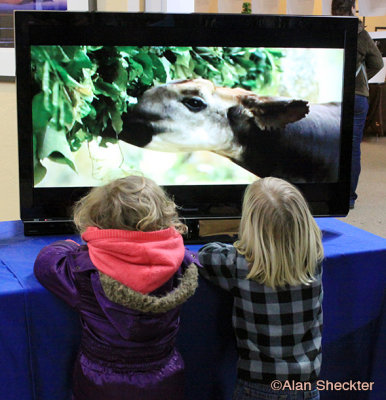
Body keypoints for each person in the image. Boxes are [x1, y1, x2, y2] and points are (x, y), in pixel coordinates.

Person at [34, 175, 198, 400]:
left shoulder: (84, 268)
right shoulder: (181, 263)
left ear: (97, 218)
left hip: (100, 382)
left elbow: (46, 262)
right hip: (165, 377)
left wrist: (70, 246)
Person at [198, 177, 324, 400]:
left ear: (250, 225)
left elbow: (205, 255)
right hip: (305, 386)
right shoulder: (313, 258)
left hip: (256, 386)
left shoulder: (238, 264)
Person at [331, 0, 384, 208]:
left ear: (332, 10)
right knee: (353, 148)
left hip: (334, 95)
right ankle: (349, 197)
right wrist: (360, 80)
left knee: (333, 144)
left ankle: (331, 192)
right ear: (353, 8)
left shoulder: (331, 30)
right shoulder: (359, 32)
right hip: (357, 96)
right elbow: (377, 62)